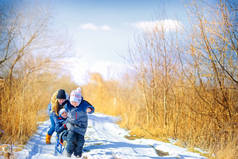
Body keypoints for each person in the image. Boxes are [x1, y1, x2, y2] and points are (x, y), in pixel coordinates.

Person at [64, 89, 95, 158]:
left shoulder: (84, 104)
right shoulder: (68, 104)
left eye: (75, 102)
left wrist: (89, 109)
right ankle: (68, 153)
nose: (74, 104)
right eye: (72, 102)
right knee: (71, 138)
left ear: (79, 100)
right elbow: (63, 108)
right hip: (71, 124)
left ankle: (78, 154)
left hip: (82, 126)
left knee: (80, 141)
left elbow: (92, 108)